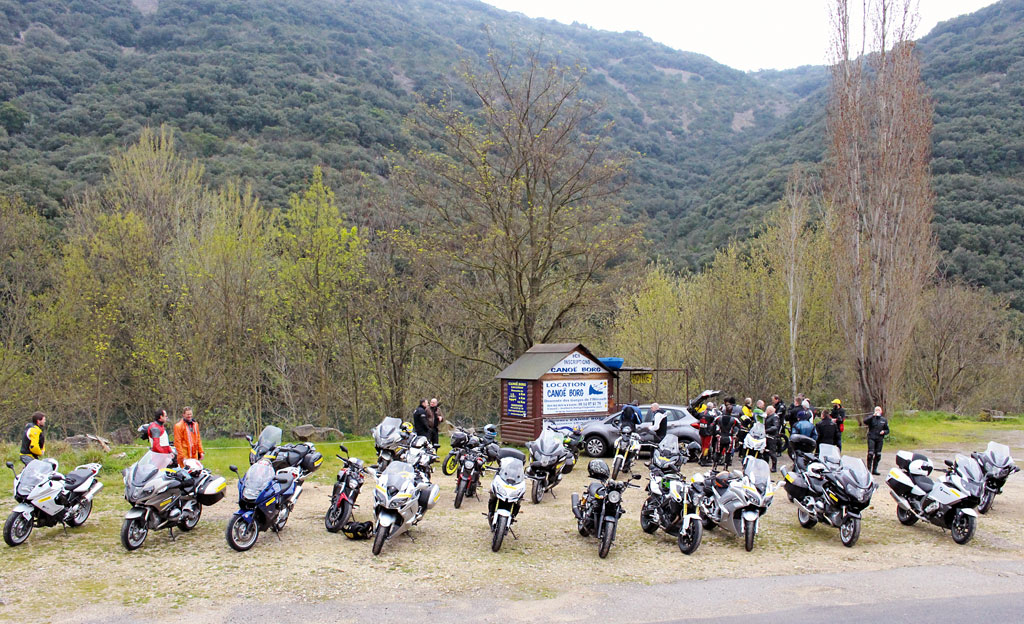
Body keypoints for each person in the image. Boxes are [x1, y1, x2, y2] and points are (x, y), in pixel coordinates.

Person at [864, 406, 890, 476]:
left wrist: (884, 432)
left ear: (881, 411)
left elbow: (887, 430)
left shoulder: (884, 420)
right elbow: (865, 421)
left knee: (878, 454)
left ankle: (874, 469)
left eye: (879, 410)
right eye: (876, 410)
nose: (877, 411)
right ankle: (868, 469)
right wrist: (873, 416)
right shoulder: (871, 418)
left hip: (879, 439)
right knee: (870, 454)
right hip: (871, 437)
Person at [763, 405, 781, 472]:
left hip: (772, 437)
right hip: (766, 436)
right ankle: (765, 465)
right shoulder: (767, 417)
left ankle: (774, 467)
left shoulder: (775, 417)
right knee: (765, 452)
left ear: (770, 411)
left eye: (767, 410)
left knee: (772, 452)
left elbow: (775, 427)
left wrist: (766, 430)